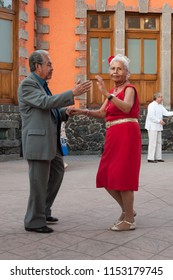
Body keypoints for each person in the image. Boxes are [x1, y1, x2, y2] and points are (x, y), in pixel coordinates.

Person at [18, 50, 91, 233]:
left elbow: (49, 109)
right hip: (38, 143)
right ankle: (34, 221)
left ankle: (43, 210)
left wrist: (65, 112)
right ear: (38, 66)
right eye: (49, 64)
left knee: (57, 172)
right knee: (38, 183)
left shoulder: (42, 85)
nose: (52, 68)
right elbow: (45, 103)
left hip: (49, 142)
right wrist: (72, 93)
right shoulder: (28, 84)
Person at [71, 54, 141, 231]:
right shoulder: (113, 92)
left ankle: (129, 219)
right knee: (105, 175)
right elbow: (102, 113)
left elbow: (126, 107)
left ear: (126, 72)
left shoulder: (129, 88)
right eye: (112, 68)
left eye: (119, 69)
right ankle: (129, 211)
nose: (115, 72)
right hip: (113, 135)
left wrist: (106, 94)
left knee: (123, 176)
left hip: (126, 134)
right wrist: (81, 111)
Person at [145, 92, 173, 163]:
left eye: (161, 97)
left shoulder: (160, 106)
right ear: (156, 98)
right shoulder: (151, 105)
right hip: (152, 126)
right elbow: (151, 116)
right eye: (160, 97)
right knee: (153, 142)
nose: (161, 98)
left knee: (158, 142)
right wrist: (159, 121)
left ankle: (158, 157)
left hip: (158, 126)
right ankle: (150, 158)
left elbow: (166, 113)